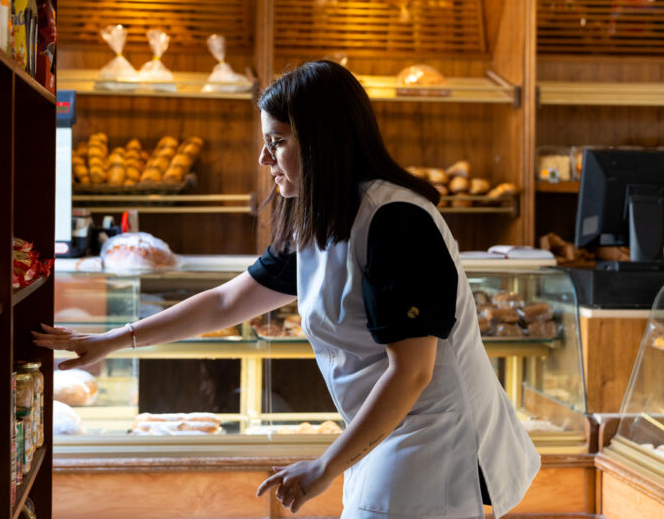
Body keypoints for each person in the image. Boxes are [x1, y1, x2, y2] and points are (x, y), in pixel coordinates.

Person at [34, 60, 539, 518]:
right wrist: (112, 340)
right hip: (381, 434)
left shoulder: (396, 220)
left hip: (437, 444)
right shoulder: (323, 218)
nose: (263, 157)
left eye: (276, 141)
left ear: (322, 141)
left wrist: (325, 466)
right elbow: (228, 301)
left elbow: (412, 373)